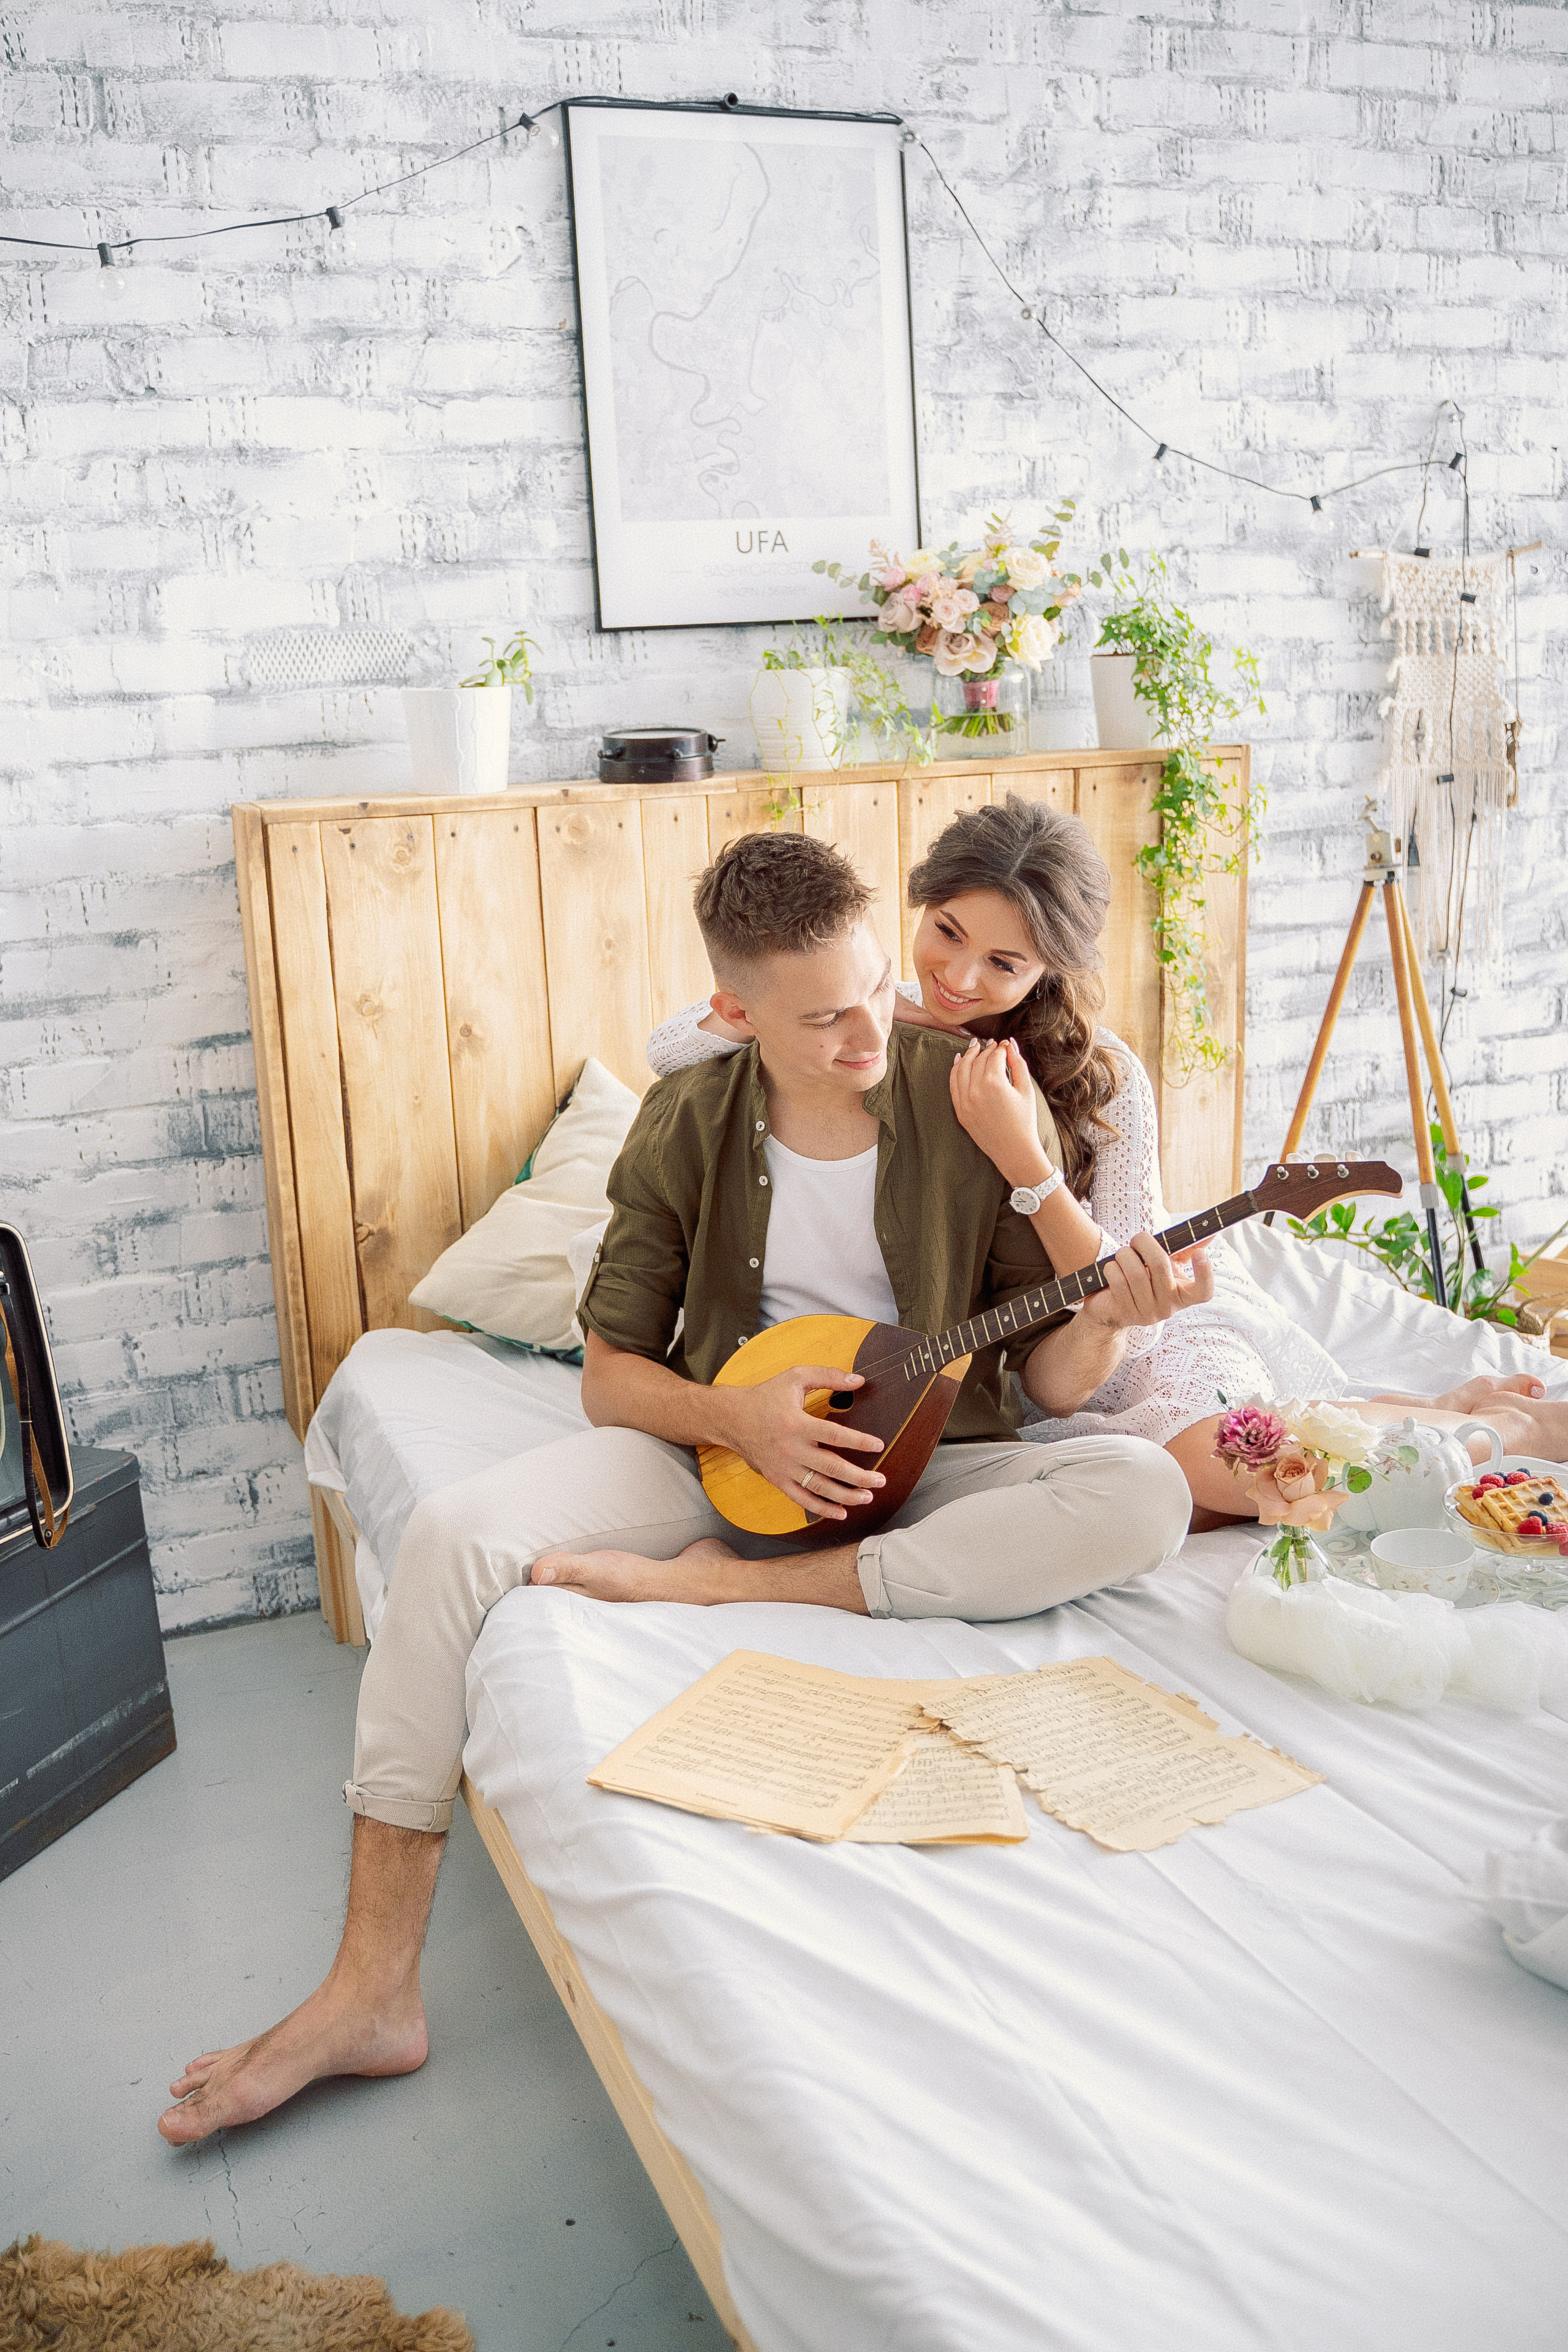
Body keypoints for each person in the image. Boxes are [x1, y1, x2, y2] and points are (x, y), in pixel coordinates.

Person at [159, 831, 1207, 2146]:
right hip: (713, 1451)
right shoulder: (684, 1116)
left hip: (939, 1456)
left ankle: (734, 1589)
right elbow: (608, 1375)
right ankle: (369, 1989)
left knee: (1137, 1498)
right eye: (822, 1017)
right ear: (732, 1013)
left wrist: (1109, 1316)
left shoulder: (980, 1101)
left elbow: (1052, 1389)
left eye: (873, 990)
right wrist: (738, 1420)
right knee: (450, 1538)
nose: (869, 1035)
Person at [647, 795, 1567, 1515]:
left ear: (1048, 971)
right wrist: (888, 1007)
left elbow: (1138, 1309)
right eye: (948, 934)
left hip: (1128, 1345)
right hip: (1019, 1370)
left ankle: (1489, 1422)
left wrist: (1025, 1162)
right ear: (920, 907)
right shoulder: (868, 1018)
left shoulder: (1103, 1079)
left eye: (1006, 964)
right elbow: (671, 1046)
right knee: (1186, 1497)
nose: (960, 978)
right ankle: (1452, 1412)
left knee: (1247, 1480)